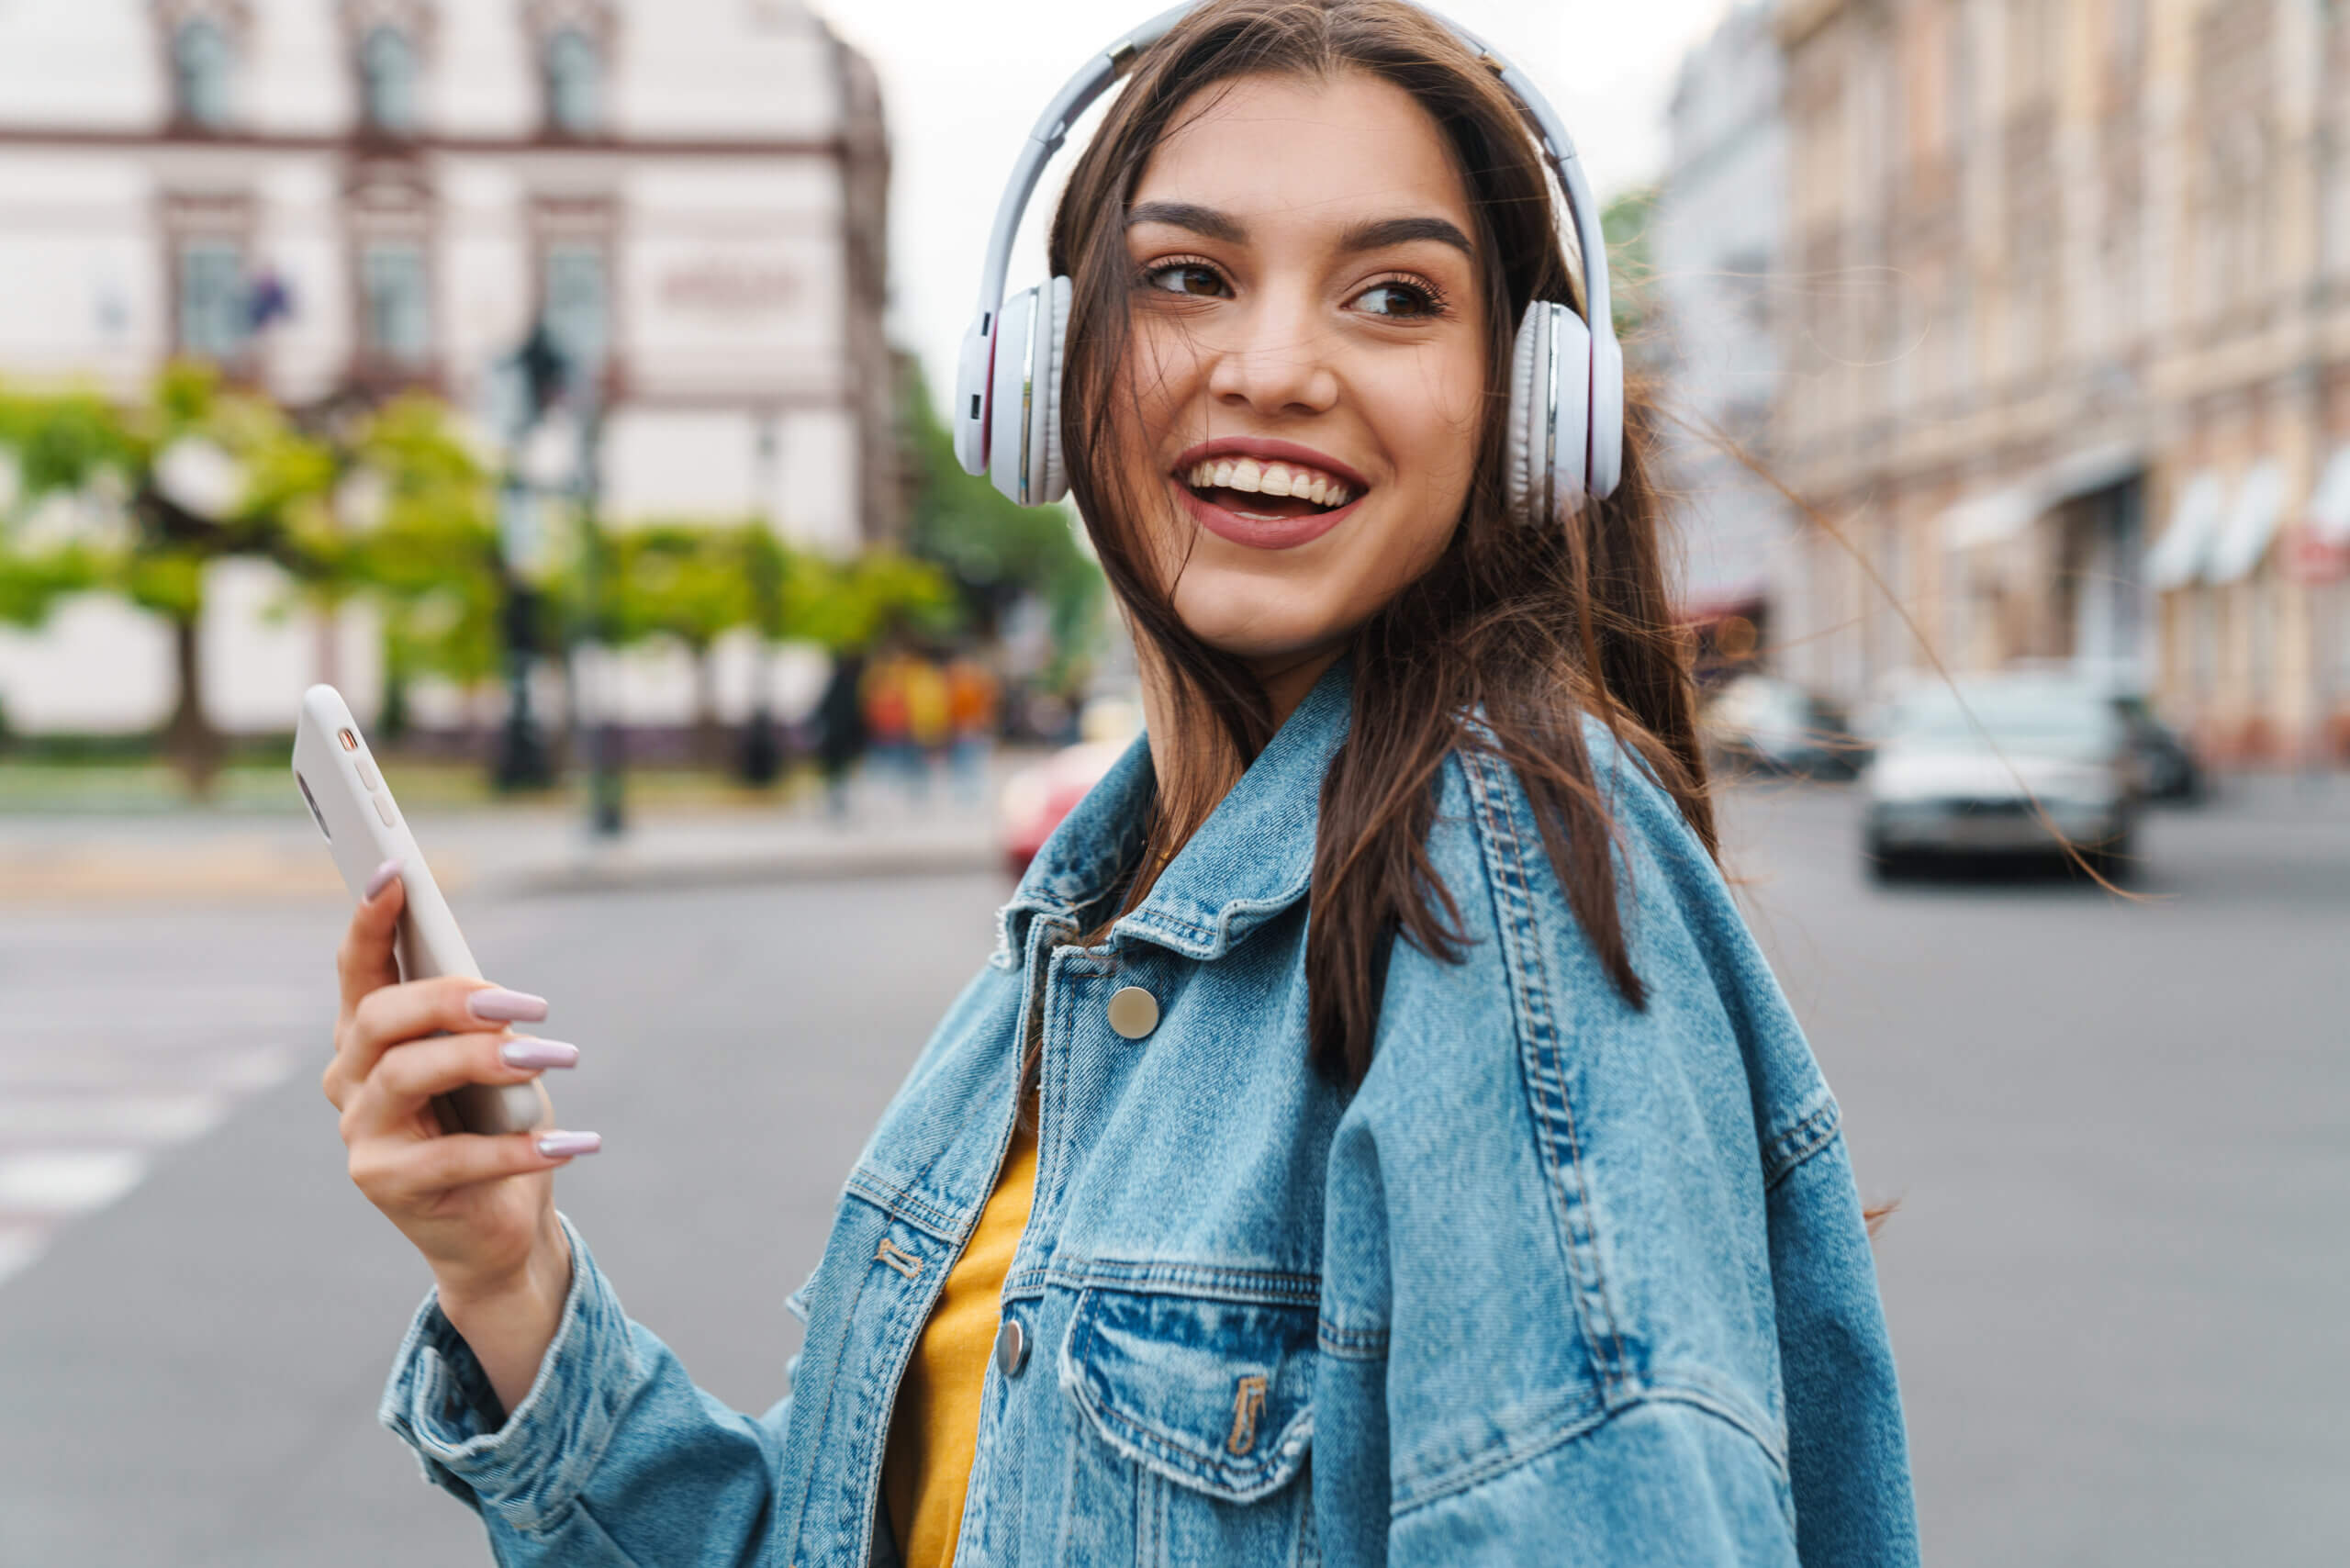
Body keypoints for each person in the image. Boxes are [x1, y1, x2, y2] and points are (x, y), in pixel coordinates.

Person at [320, 4, 1919, 1563]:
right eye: (1187, 278)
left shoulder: (1495, 894)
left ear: (1526, 403)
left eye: (1393, 296)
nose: (1277, 366)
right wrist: (511, 1277)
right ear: (1041, 372)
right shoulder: (1097, 926)